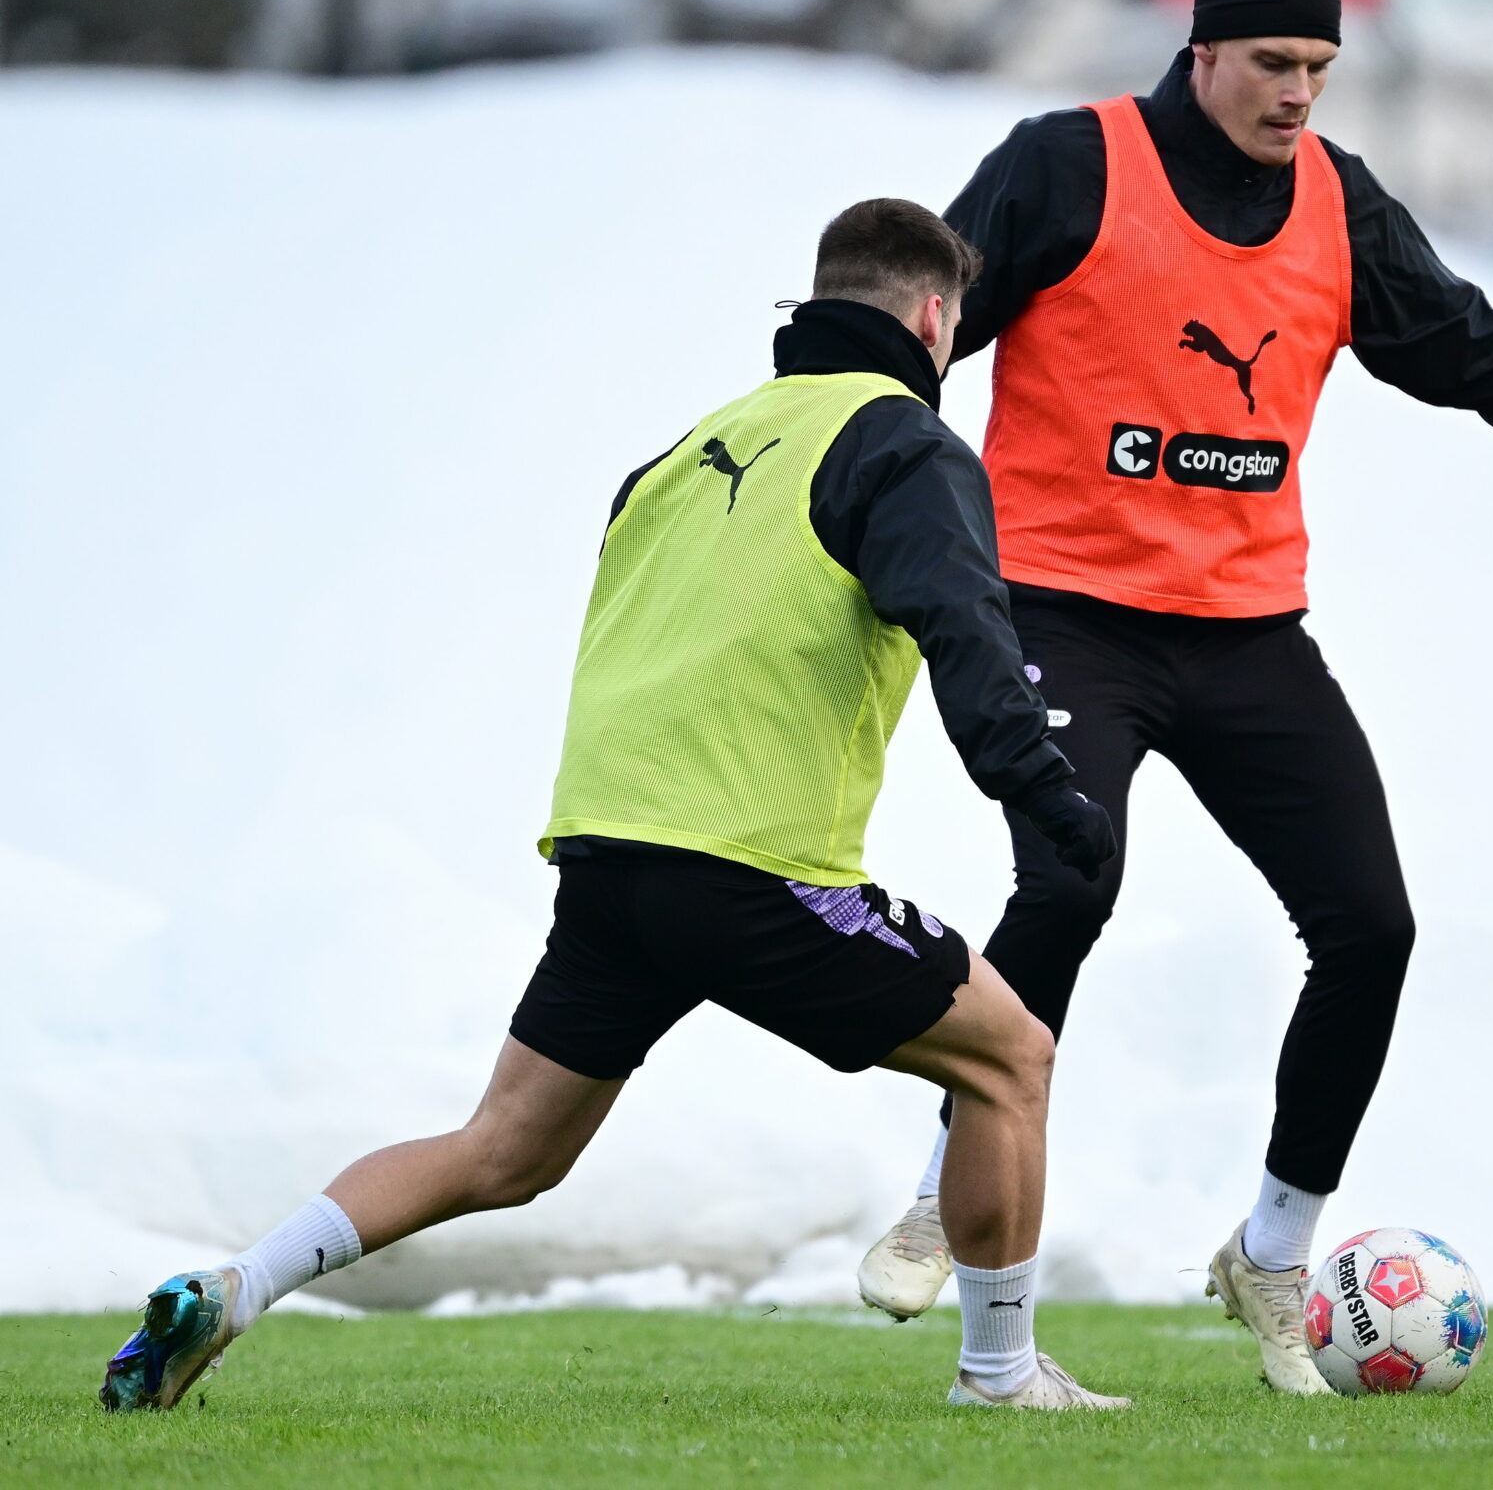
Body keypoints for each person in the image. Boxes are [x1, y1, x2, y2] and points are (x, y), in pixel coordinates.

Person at [853, 0, 1493, 1392]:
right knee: (1073, 873)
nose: (1298, 91)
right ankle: (945, 1192)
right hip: (1064, 613)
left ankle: (1274, 1255)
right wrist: (827, 486)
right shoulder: (1069, 163)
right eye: (1273, 61)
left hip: (1245, 636)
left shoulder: (1337, 209)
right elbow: (911, 336)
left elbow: (1486, 355)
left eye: (1321, 66)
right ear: (1202, 46)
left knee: (1372, 928)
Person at [100, 200, 1128, 1415]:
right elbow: (966, 629)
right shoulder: (901, 441)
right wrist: (1050, 799)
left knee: (501, 1151)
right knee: (1011, 1055)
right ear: (932, 316)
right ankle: (1000, 1377)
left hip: (608, 857)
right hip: (752, 865)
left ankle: (235, 1287)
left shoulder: (685, 451)